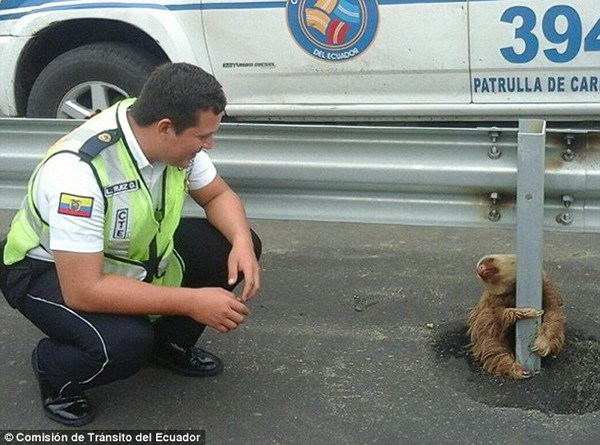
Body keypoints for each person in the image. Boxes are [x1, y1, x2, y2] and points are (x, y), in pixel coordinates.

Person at [0, 63, 262, 427]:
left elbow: (218, 196)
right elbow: (84, 290)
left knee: (228, 245)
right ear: (166, 129)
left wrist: (244, 245)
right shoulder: (78, 173)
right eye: (202, 137)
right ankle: (57, 372)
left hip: (124, 256)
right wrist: (193, 302)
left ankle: (167, 347)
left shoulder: (161, 126)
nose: (209, 145)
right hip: (46, 269)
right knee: (124, 343)